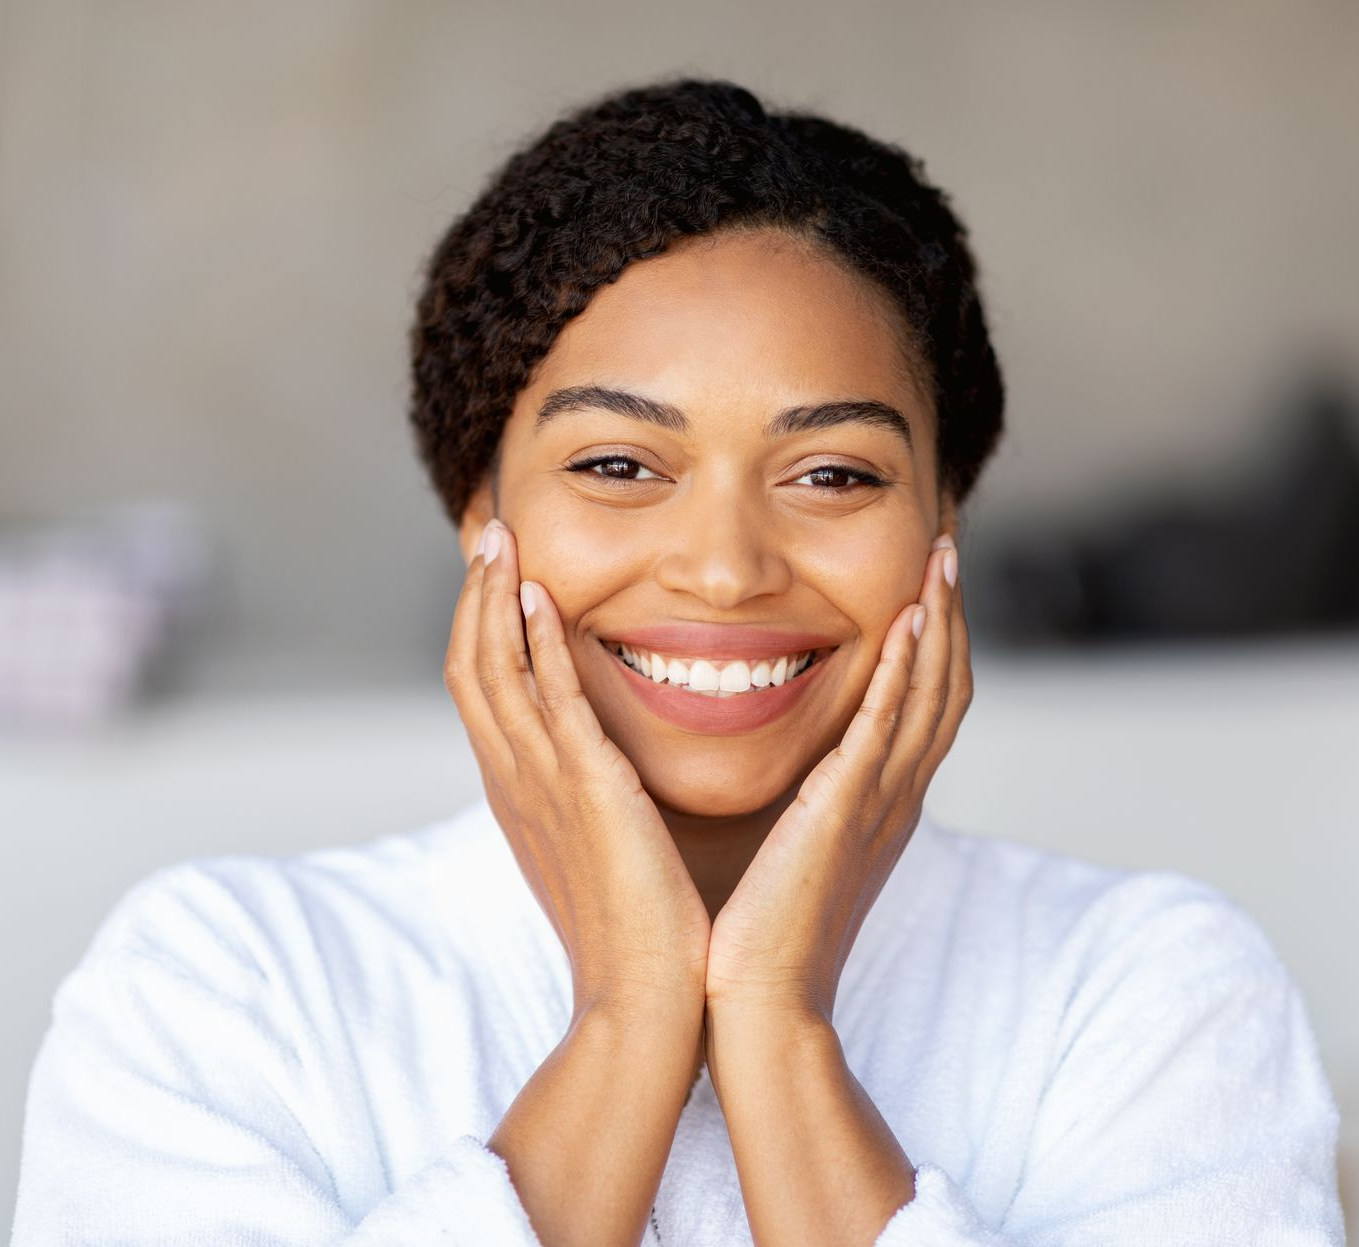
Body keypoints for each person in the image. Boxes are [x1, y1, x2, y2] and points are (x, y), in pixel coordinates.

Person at [11, 77, 1345, 1246]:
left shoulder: (1152, 991)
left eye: (832, 472)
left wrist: (776, 1024)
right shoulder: (222, 983)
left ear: (942, 526)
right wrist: (630, 1014)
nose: (722, 567)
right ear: (481, 515)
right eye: (615, 464)